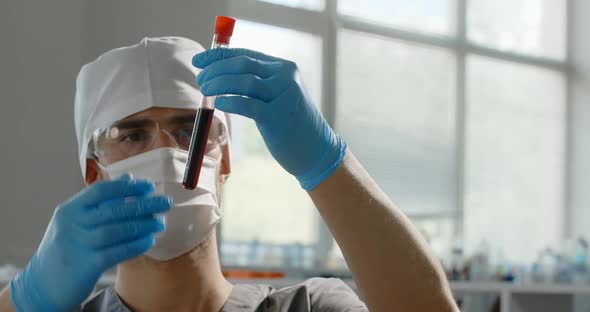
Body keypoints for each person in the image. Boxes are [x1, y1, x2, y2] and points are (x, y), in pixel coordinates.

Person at [0, 37, 458, 312]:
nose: (165, 151)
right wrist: (24, 301)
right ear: (94, 173)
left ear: (227, 161)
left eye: (188, 130)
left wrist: (328, 164)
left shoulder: (307, 308)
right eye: (133, 135)